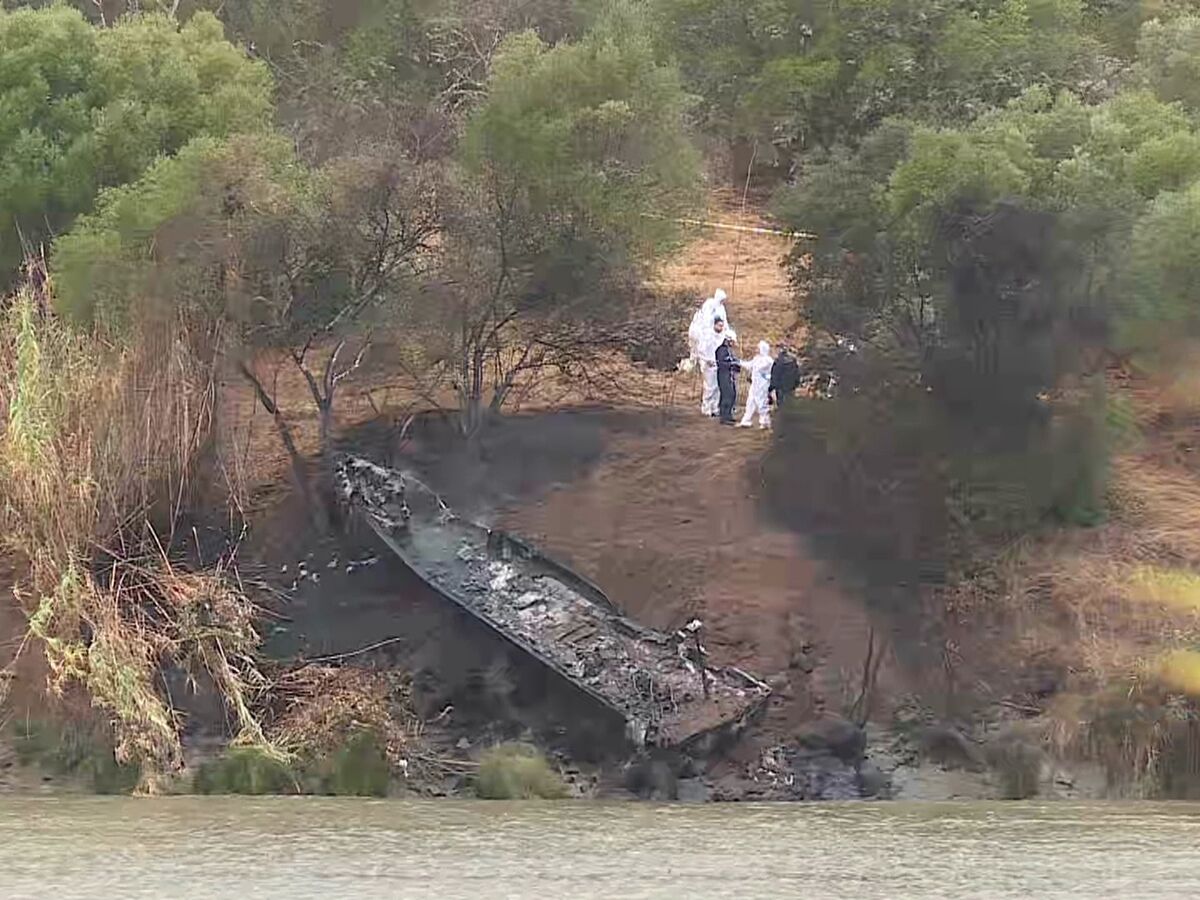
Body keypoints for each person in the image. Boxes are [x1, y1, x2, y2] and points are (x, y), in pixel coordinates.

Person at [739, 341, 775, 429]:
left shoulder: (768, 360)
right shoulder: (757, 359)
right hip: (754, 385)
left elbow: (761, 369)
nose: (757, 350)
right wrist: (739, 362)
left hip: (762, 386)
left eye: (758, 348)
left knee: (761, 403)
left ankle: (765, 421)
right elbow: (750, 365)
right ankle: (746, 420)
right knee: (750, 402)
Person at [698, 318, 728, 416]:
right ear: (714, 325)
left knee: (717, 387)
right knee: (709, 387)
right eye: (719, 325)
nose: (720, 328)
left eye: (722, 326)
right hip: (709, 365)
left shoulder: (721, 337)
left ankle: (715, 407)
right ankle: (706, 407)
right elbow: (701, 351)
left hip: (717, 365)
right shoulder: (708, 337)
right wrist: (707, 360)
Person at [715, 330, 740, 424]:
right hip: (723, 375)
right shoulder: (721, 350)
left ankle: (729, 415)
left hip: (730, 375)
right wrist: (732, 364)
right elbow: (722, 363)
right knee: (727, 395)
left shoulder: (729, 350)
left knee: (732, 394)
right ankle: (724, 417)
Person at [770, 344, 802, 409]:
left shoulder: (778, 362)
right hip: (791, 387)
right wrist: (796, 384)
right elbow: (797, 374)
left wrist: (772, 387)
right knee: (790, 403)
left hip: (780, 388)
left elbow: (774, 375)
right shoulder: (793, 361)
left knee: (781, 404)